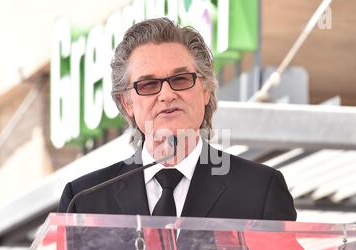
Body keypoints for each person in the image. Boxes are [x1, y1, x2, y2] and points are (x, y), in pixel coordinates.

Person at [58, 17, 297, 222]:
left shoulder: (260, 190)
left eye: (181, 79)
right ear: (127, 103)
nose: (167, 95)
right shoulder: (84, 200)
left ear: (205, 89)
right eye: (149, 84)